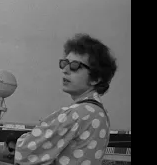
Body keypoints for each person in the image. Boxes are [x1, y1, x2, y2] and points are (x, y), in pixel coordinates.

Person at [14, 34, 117, 165]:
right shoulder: (99, 112)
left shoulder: (78, 114)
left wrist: (15, 142)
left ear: (96, 78)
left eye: (75, 66)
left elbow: (24, 152)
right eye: (64, 63)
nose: (65, 70)